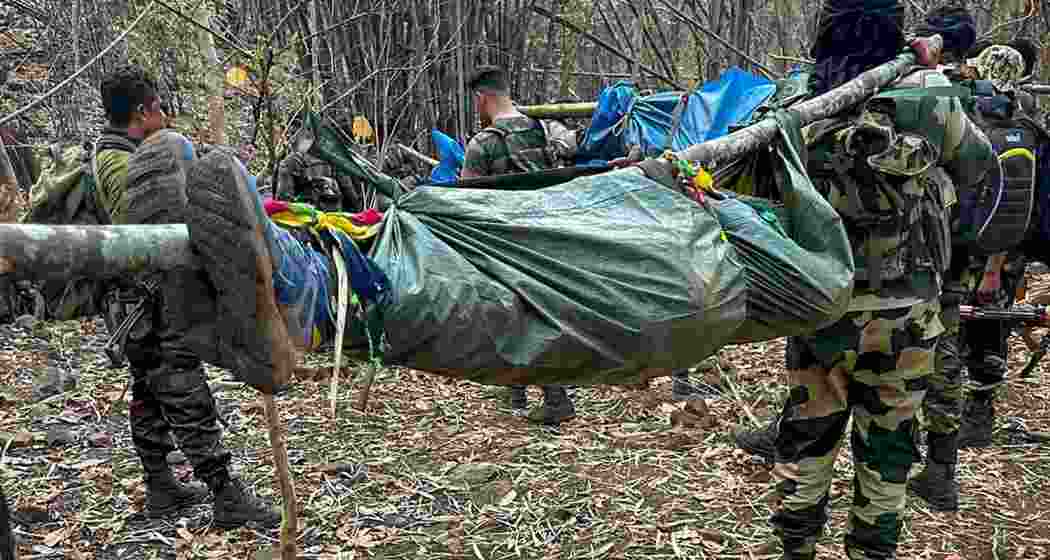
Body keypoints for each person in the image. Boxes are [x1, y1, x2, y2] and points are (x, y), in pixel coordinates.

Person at [738, 1, 996, 557]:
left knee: (808, 433)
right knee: (889, 446)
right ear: (894, 31)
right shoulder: (927, 91)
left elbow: (751, 187)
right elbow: (977, 165)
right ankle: (872, 550)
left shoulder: (795, 97)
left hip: (820, 302)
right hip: (907, 313)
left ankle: (796, 547)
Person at [94, 64, 280, 528]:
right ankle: (226, 494)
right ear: (144, 110)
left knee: (151, 391)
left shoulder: (118, 154)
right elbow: (152, 233)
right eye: (159, 109)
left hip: (139, 299)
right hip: (151, 298)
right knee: (183, 389)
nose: (165, 119)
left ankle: (161, 487)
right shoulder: (124, 163)